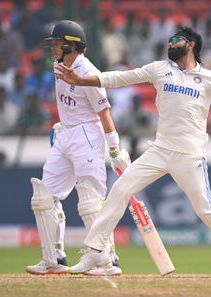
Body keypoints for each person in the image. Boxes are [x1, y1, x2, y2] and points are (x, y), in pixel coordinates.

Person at [55, 26, 211, 278]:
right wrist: (80, 80)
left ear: (191, 44)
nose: (170, 44)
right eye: (169, 40)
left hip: (189, 155)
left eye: (176, 40)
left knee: (206, 210)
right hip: (160, 150)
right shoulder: (159, 69)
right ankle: (96, 249)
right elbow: (119, 78)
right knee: (120, 188)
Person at [25, 20, 130, 276]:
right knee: (44, 196)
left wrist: (114, 149)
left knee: (91, 200)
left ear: (71, 45)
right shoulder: (58, 67)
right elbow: (69, 103)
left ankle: (107, 260)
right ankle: (54, 259)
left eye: (58, 44)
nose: (53, 49)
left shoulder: (88, 73)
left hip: (87, 136)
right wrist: (64, 124)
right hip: (67, 134)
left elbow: (104, 113)